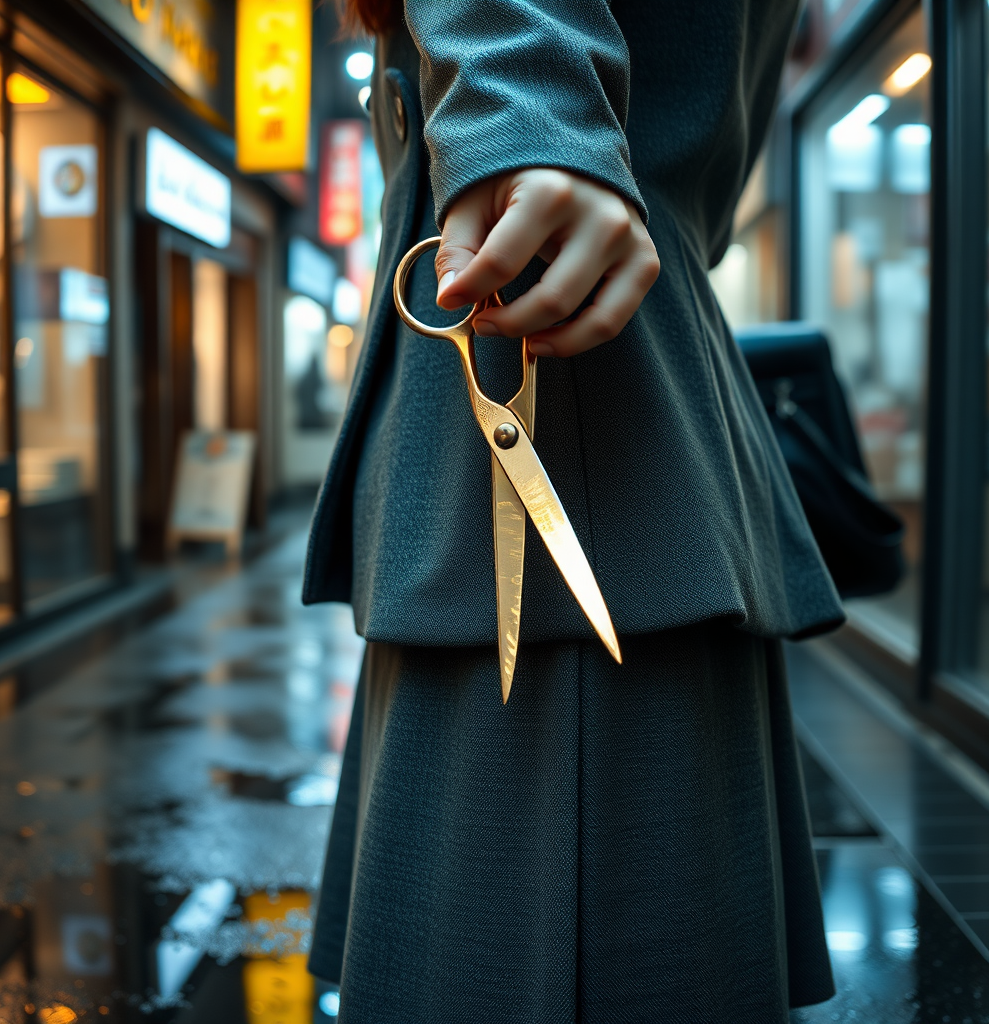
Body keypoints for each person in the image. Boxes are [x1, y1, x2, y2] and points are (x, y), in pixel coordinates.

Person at [304, 1, 846, 1020]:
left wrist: (530, 118)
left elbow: (520, 45)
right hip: (605, 434)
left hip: (571, 414)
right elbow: (709, 192)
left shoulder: (526, 107)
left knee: (498, 952)